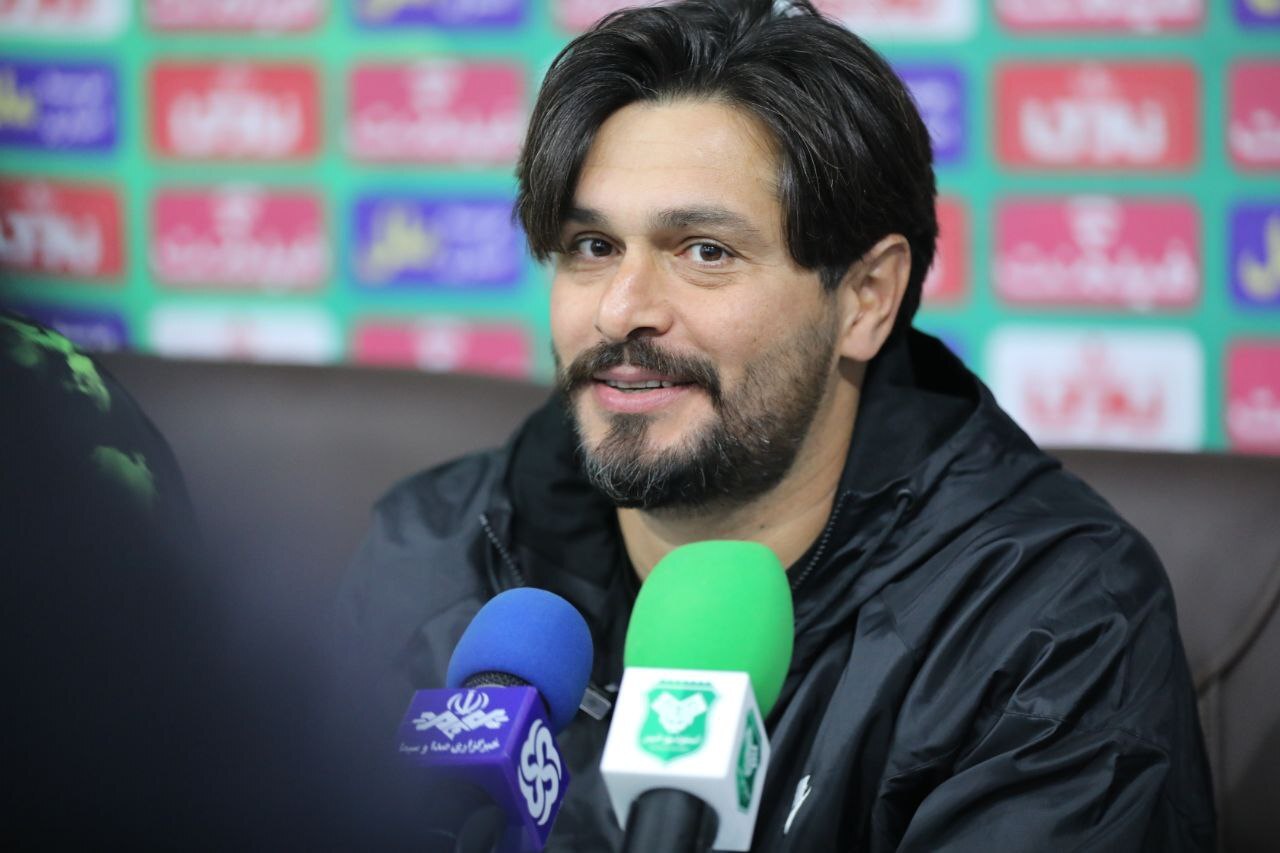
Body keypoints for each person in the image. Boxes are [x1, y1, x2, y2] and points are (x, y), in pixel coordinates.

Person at [335, 1, 1215, 848]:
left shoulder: (1050, 622)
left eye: (704, 251)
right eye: (593, 248)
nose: (621, 310)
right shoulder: (434, 550)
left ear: (865, 297)